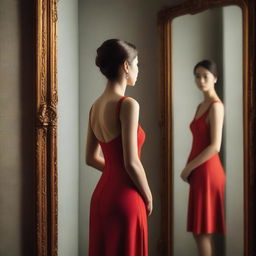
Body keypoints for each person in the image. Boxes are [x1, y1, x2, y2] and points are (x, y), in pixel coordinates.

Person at [85, 39, 153, 256]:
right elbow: (131, 162)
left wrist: (114, 172)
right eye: (137, 64)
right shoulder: (128, 105)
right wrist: (148, 196)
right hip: (126, 199)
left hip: (101, 199)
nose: (138, 70)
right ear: (125, 66)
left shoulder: (94, 107)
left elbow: (90, 158)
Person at [180, 60, 226, 256]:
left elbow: (215, 146)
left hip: (208, 172)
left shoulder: (215, 106)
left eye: (205, 76)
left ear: (215, 78)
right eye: (197, 76)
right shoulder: (201, 105)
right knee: (200, 232)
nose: (200, 80)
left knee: (202, 232)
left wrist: (189, 167)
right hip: (200, 173)